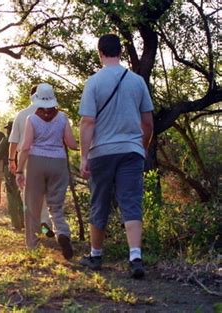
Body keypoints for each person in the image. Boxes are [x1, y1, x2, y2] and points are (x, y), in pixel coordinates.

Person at [78, 34, 154, 279]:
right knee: (131, 201)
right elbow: (148, 123)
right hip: (131, 151)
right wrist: (141, 146)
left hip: (102, 152)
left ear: (100, 52)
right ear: (120, 52)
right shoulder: (137, 81)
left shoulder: (93, 82)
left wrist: (83, 157)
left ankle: (96, 255)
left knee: (99, 201)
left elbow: (87, 122)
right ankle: (135, 256)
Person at [15, 83, 78, 259]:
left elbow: (26, 146)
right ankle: (63, 233)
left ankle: (33, 246)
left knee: (32, 206)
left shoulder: (32, 120)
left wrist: (19, 170)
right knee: (55, 206)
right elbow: (72, 144)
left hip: (36, 162)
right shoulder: (63, 118)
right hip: (58, 163)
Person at [8, 86, 59, 238]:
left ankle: (38, 225)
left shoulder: (22, 115)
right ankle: (46, 223)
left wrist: (11, 160)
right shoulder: (54, 114)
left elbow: (14, 140)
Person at [0, 121, 24, 231]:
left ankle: (16, 224)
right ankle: (24, 221)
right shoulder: (23, 138)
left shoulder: (6, 140)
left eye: (9, 129)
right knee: (20, 196)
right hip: (23, 168)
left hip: (10, 169)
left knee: (12, 196)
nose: (7, 131)